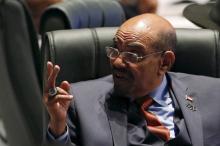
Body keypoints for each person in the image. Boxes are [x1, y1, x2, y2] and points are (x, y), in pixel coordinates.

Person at [43, 14, 220, 146]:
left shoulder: (213, 94)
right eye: (115, 49)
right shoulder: (77, 100)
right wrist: (57, 127)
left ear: (165, 62)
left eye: (133, 54)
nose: (118, 61)